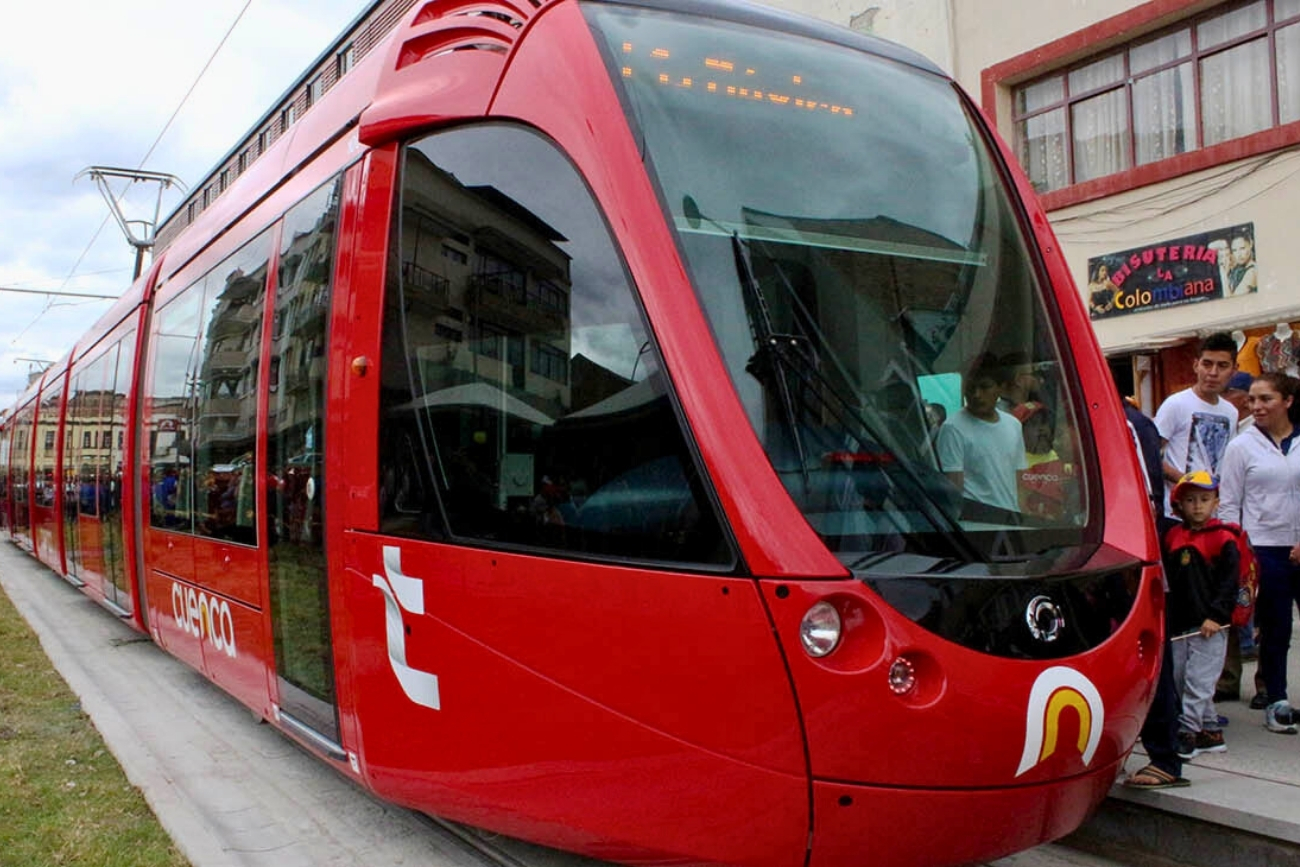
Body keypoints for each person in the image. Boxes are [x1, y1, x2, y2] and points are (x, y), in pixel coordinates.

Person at [1217, 372, 1300, 733]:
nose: (1256, 407)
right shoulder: (1241, 445)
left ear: (1287, 401)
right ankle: (1277, 699)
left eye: (1266, 399)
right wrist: (1236, 551)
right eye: (1252, 399)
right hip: (1263, 547)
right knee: (1276, 628)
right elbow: (1229, 504)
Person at [1161, 471, 1239, 759]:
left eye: (1204, 499)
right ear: (1179, 504)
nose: (1197, 506)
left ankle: (1187, 733)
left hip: (1210, 626)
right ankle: (1210, 732)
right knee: (1181, 678)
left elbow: (1229, 583)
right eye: (1190, 500)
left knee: (1199, 681)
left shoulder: (1224, 538)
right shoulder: (1174, 536)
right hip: (1181, 624)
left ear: (1216, 502)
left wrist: (1217, 616)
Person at [1153, 332, 1239, 531]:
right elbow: (1151, 455)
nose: (1213, 372)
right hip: (1176, 514)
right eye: (1207, 364)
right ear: (1195, 365)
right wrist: (1185, 481)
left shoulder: (1231, 412)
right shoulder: (1176, 404)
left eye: (1222, 366)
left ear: (1234, 370)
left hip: (1213, 516)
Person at [937, 354, 1027, 516]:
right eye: (971, 388)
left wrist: (1021, 515)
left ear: (1000, 388)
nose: (977, 394)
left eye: (984, 387)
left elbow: (1018, 477)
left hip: (1010, 518)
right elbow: (953, 486)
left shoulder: (1013, 425)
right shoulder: (953, 428)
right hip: (975, 520)